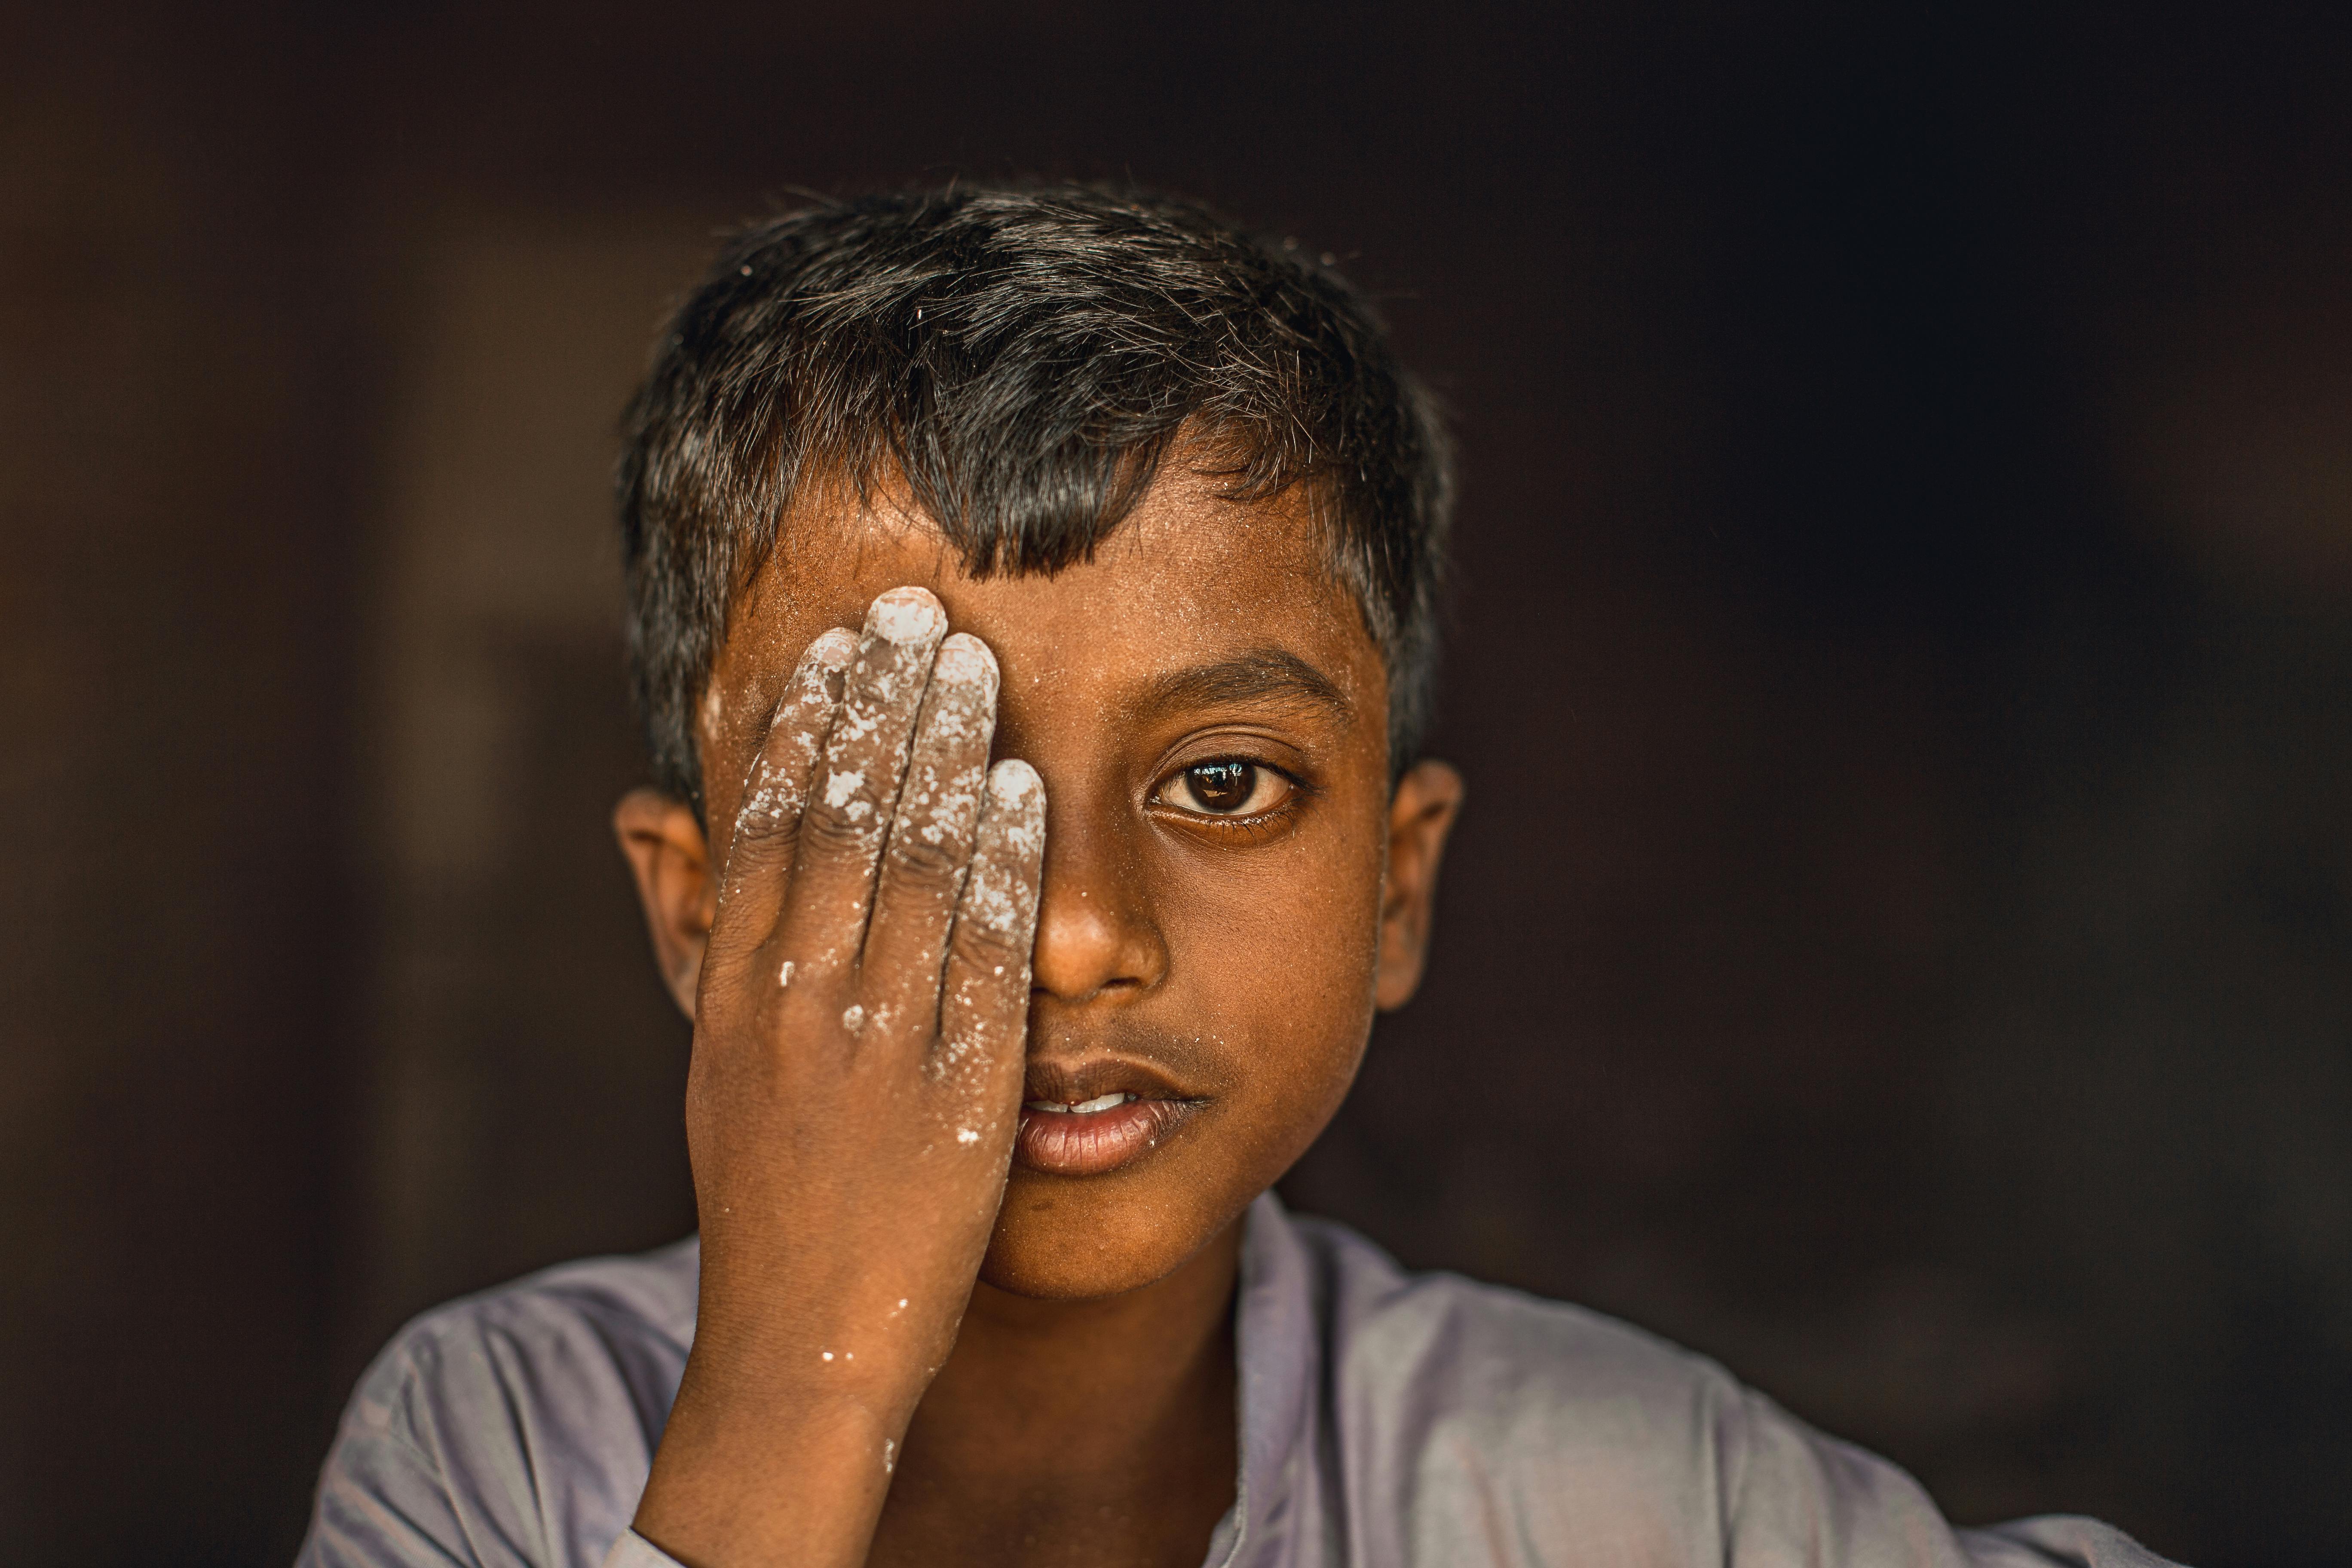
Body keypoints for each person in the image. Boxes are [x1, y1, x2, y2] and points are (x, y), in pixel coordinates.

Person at [299, 185, 2175, 1568]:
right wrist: (799, 1390)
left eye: (1222, 779)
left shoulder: (1619, 1496)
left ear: (1401, 890)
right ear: (704, 920)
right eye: (921, 809)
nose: (1086, 930)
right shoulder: (500, 1454)